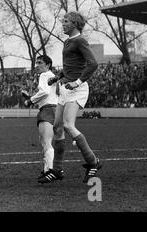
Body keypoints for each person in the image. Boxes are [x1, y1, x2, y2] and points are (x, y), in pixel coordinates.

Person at [38, 11, 101, 184]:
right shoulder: (68, 42)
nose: (63, 24)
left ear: (74, 23)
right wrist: (57, 77)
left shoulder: (80, 40)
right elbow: (71, 67)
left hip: (77, 89)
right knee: (57, 128)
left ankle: (93, 162)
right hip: (65, 88)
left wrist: (78, 81)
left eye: (65, 21)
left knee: (68, 125)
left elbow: (93, 64)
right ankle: (57, 170)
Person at [22, 55, 58, 179]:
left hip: (48, 110)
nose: (36, 65)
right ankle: (47, 169)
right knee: (46, 141)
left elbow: (44, 92)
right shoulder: (53, 76)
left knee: (46, 142)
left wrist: (30, 101)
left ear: (47, 65)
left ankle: (50, 171)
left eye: (40, 63)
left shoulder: (44, 75)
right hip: (56, 109)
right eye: (36, 63)